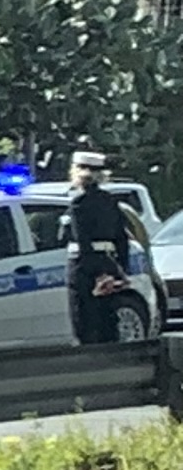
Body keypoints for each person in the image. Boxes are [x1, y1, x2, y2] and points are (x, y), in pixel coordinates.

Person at [66, 149, 147, 347]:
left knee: (84, 319)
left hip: (84, 268)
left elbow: (82, 241)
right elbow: (122, 238)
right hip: (110, 263)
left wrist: (96, 273)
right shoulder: (110, 202)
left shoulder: (79, 203)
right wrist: (120, 270)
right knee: (107, 319)